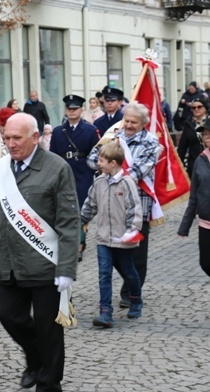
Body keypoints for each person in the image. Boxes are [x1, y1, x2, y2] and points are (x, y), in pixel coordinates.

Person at [0, 113, 79, 392]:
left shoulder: (57, 168)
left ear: (35, 137)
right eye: (7, 137)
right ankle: (35, 358)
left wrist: (66, 269)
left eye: (17, 138)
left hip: (45, 266)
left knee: (48, 330)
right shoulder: (1, 169)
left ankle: (49, 388)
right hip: (10, 265)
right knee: (9, 316)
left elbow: (69, 222)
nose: (10, 144)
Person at [88, 102, 160, 309]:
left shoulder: (151, 142)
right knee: (114, 248)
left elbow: (138, 173)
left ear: (143, 123)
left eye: (133, 122)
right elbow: (93, 160)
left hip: (138, 203)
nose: (128, 125)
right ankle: (131, 283)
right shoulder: (114, 136)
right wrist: (106, 165)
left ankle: (131, 293)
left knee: (136, 250)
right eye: (126, 120)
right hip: (110, 202)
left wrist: (109, 169)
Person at [80, 142, 144, 328]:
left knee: (129, 272)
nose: (98, 163)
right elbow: (90, 204)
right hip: (103, 239)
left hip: (122, 238)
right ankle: (105, 312)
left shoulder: (127, 183)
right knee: (104, 274)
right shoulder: (99, 182)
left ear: (114, 163)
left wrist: (132, 230)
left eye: (101, 160)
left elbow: (134, 208)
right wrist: (80, 220)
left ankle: (136, 299)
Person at [49, 94, 100, 261]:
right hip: (64, 174)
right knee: (64, 210)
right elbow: (53, 155)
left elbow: (96, 154)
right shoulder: (58, 131)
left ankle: (79, 245)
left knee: (80, 211)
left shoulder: (90, 130)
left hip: (83, 174)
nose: (72, 111)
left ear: (81, 110)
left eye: (75, 108)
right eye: (69, 109)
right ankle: (66, 242)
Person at [177, 119, 210, 277]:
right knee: (205, 263)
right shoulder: (200, 160)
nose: (208, 137)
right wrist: (185, 226)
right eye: (205, 134)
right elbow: (194, 196)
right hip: (205, 222)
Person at [177, 97, 208, 179]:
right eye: (193, 108)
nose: (196, 109)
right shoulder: (188, 124)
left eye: (199, 107)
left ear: (205, 108)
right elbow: (182, 147)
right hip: (194, 164)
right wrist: (179, 165)